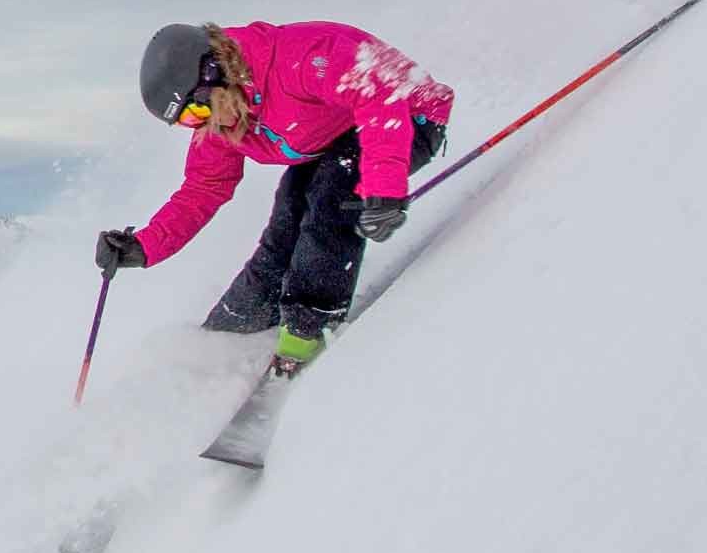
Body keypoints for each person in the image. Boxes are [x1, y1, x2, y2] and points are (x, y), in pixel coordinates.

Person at [95, 19, 455, 368]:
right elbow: (203, 188)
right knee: (290, 207)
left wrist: (383, 188)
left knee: (332, 195)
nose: (202, 123)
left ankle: (307, 326)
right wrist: (144, 246)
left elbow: (378, 97)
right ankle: (236, 326)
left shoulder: (297, 60)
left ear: (213, 73)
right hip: (337, 137)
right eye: (188, 121)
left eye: (197, 110)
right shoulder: (222, 119)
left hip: (410, 116)